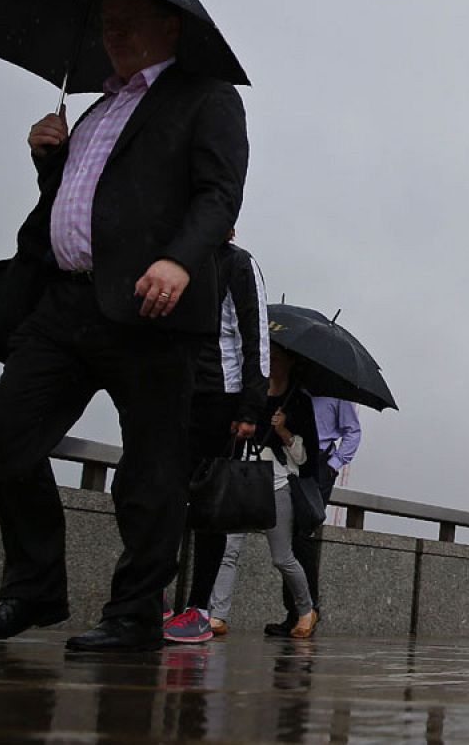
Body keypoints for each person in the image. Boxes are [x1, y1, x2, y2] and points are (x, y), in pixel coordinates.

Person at [0, 0, 250, 651]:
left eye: (128, 22)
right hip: (64, 304)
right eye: (106, 24)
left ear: (169, 28)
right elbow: (87, 201)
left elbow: (219, 193)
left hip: (153, 308)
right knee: (8, 435)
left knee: (151, 470)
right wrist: (50, 160)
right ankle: (33, 591)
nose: (112, 34)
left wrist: (178, 260)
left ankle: (134, 613)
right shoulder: (96, 109)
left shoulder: (206, 97)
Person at [163, 236, 267, 644]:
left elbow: (255, 338)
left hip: (219, 396)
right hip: (171, 390)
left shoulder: (237, 263)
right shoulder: (171, 257)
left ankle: (200, 608)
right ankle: (153, 592)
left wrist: (250, 408)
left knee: (210, 506)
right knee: (154, 492)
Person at [201, 344, 319, 637]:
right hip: (242, 478)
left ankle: (306, 610)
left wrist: (283, 431)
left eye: (277, 359)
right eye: (270, 358)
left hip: (276, 483)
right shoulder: (250, 393)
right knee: (229, 550)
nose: (272, 364)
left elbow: (305, 459)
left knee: (282, 557)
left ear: (290, 363)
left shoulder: (298, 402)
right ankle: (218, 615)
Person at [262, 394, 361, 637]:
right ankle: (294, 613)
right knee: (288, 537)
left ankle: (308, 610)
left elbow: (353, 431)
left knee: (303, 536)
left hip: (319, 463)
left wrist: (333, 465)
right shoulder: (294, 391)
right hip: (290, 457)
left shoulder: (336, 394)